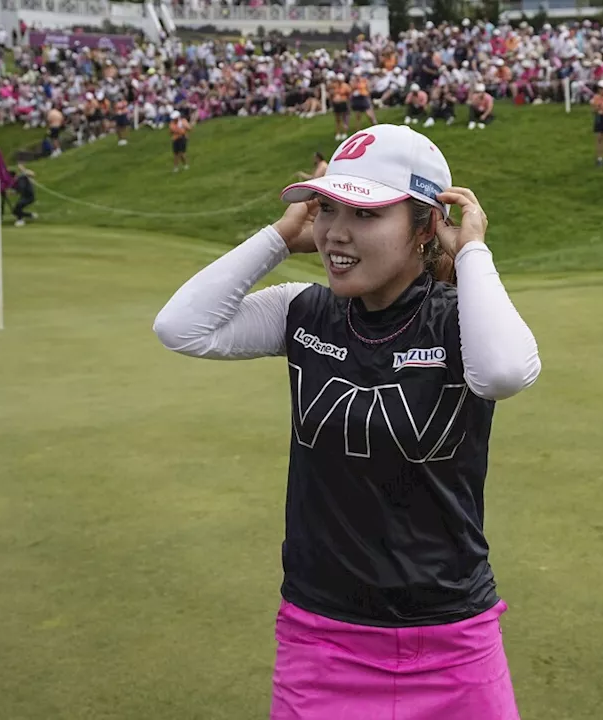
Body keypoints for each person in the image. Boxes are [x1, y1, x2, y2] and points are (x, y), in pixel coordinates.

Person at [152, 123, 539, 720]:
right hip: (322, 638)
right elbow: (182, 328)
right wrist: (281, 238)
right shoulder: (302, 311)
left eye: (364, 214)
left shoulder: (460, 323)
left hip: (452, 641)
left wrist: (472, 251)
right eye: (328, 207)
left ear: (424, 225)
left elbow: (506, 372)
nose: (336, 232)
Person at [329, 73, 352, 140]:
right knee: (337, 119)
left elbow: (349, 95)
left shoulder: (346, 86)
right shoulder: (334, 86)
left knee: (344, 118)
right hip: (336, 104)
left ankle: (344, 133)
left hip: (343, 103)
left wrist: (347, 102)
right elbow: (331, 94)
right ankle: (338, 133)